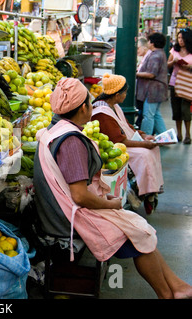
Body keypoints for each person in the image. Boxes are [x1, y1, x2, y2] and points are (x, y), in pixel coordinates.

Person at [32, 77, 192, 299]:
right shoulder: (72, 142)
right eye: (90, 102)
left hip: (57, 212)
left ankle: (178, 287)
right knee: (137, 233)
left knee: (139, 228)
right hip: (66, 220)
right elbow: (79, 195)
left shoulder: (55, 129)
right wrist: (111, 203)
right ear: (82, 108)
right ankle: (167, 294)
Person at [92, 73, 163, 215]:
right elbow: (118, 140)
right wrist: (144, 144)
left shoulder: (114, 106)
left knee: (152, 150)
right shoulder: (102, 112)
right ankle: (142, 192)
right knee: (144, 154)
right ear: (117, 94)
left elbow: (127, 126)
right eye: (125, 93)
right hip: (115, 148)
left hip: (124, 143)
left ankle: (150, 191)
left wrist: (144, 135)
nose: (126, 95)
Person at [136, 32, 169, 136]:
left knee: (148, 115)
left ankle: (146, 137)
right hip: (158, 90)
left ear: (153, 43)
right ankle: (166, 137)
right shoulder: (161, 53)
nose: (148, 43)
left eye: (149, 41)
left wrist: (136, 73)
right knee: (156, 114)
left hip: (153, 91)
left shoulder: (155, 55)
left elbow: (151, 74)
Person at [167, 29, 192, 144]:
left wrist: (189, 67)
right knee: (176, 109)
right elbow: (167, 64)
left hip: (188, 84)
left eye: (183, 38)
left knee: (186, 109)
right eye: (179, 38)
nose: (181, 41)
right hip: (174, 83)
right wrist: (174, 62)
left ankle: (188, 133)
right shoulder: (174, 50)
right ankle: (179, 134)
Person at [135, 37, 151, 128]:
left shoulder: (149, 56)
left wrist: (136, 73)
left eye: (138, 48)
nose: (137, 51)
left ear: (145, 47)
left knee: (146, 114)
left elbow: (151, 74)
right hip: (142, 91)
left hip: (146, 91)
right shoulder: (144, 57)